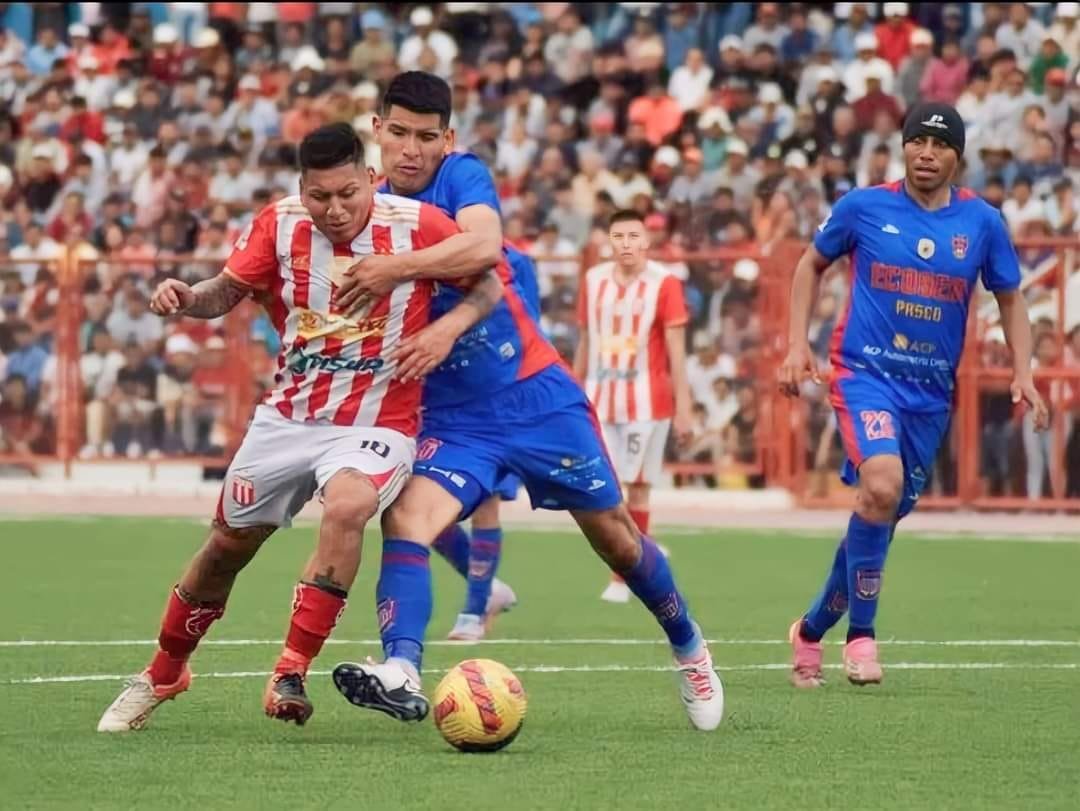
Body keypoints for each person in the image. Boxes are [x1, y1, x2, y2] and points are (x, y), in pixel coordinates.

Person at [330, 71, 724, 731]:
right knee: (404, 520)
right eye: (397, 132)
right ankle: (401, 667)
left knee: (617, 540)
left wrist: (410, 287)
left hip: (536, 397)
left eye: (426, 136)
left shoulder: (462, 178)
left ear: (447, 139)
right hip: (457, 418)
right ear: (377, 130)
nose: (410, 148)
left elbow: (483, 247)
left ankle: (689, 645)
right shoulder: (365, 207)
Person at [96, 124, 503, 732]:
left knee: (348, 506)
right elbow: (226, 291)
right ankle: (164, 671)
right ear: (301, 190)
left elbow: (488, 278)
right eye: (320, 197)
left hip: (378, 420)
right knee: (224, 551)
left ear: (370, 179)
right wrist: (187, 296)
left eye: (347, 194)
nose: (335, 211)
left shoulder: (414, 225)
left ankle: (291, 668)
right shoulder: (280, 223)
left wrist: (444, 329)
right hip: (288, 417)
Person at [777, 103, 1049, 688]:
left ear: (958, 156)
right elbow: (809, 265)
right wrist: (796, 344)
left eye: (939, 143)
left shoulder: (982, 224)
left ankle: (811, 629)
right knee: (881, 484)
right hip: (864, 375)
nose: (926, 152)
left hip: (930, 395)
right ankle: (862, 639)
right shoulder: (862, 206)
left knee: (880, 513)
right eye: (916, 141)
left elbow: (1011, 298)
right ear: (901, 148)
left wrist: (1024, 370)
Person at [575, 211, 693, 604]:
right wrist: (574, 391)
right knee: (606, 489)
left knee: (638, 487)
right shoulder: (593, 281)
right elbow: (585, 340)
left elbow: (676, 350)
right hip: (600, 398)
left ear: (646, 242)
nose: (626, 243)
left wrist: (684, 406)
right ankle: (641, 551)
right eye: (618, 236)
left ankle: (621, 579)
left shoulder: (665, 283)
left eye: (633, 236)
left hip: (647, 401)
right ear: (609, 242)